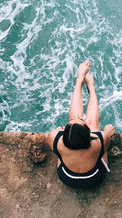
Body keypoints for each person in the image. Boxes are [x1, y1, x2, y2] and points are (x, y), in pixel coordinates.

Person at [47, 60, 115, 189]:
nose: (78, 118)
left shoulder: (54, 138)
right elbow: (104, 144)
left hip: (67, 177)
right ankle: (91, 87)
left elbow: (73, 123)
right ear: (88, 136)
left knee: (73, 127)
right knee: (95, 125)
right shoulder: (99, 141)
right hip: (95, 178)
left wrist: (80, 79)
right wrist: (108, 133)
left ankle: (79, 81)